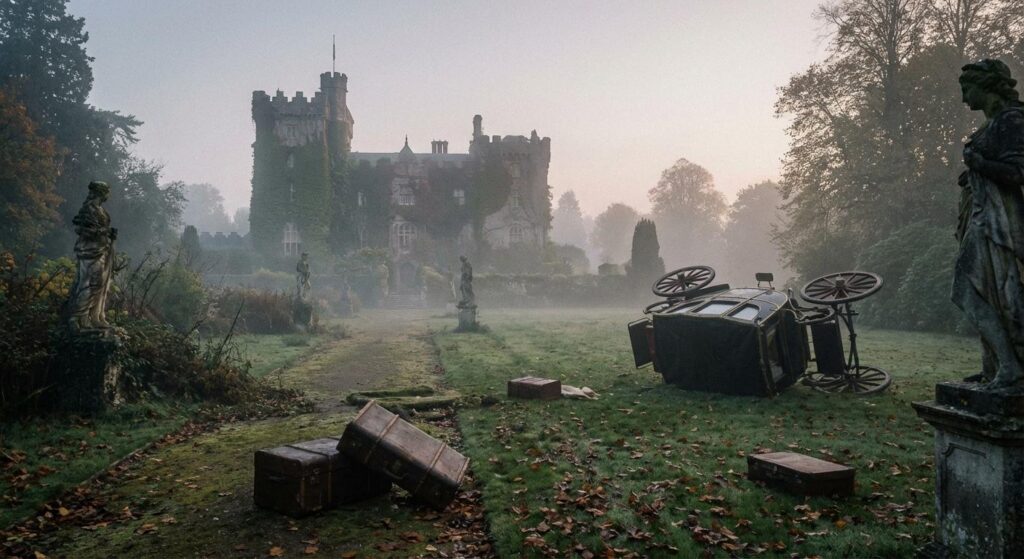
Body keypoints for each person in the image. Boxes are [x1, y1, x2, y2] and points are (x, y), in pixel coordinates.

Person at [954, 59, 1024, 388]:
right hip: (982, 216)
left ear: (987, 87)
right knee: (985, 292)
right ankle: (994, 366)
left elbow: (1016, 173)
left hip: (999, 223)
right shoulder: (992, 124)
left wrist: (979, 164)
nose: (965, 99)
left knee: (970, 290)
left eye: (968, 90)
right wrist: (971, 174)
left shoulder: (1011, 119)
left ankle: (1010, 366)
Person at [66, 181, 117, 330]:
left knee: (99, 284)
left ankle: (92, 317)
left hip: (101, 249)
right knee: (90, 283)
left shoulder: (100, 210)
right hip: (89, 251)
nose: (108, 195)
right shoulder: (88, 209)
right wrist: (103, 232)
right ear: (101, 193)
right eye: (106, 191)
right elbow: (82, 230)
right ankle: (76, 317)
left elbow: (101, 229)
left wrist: (109, 234)